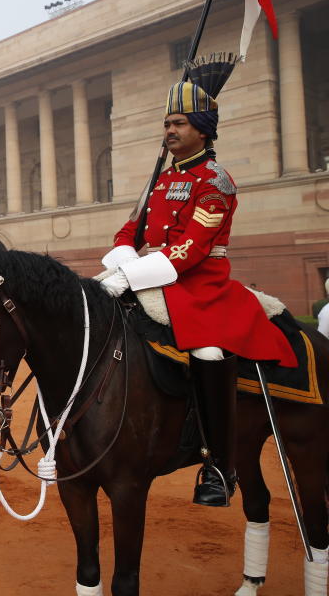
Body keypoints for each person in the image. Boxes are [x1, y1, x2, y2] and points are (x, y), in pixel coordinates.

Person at [99, 54, 296, 507]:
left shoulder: (217, 181)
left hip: (202, 287)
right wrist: (121, 264)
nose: (170, 131)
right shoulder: (161, 182)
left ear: (203, 129)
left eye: (180, 123)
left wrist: (126, 275)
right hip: (154, 278)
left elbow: (191, 251)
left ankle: (220, 466)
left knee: (207, 349)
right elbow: (128, 232)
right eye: (167, 123)